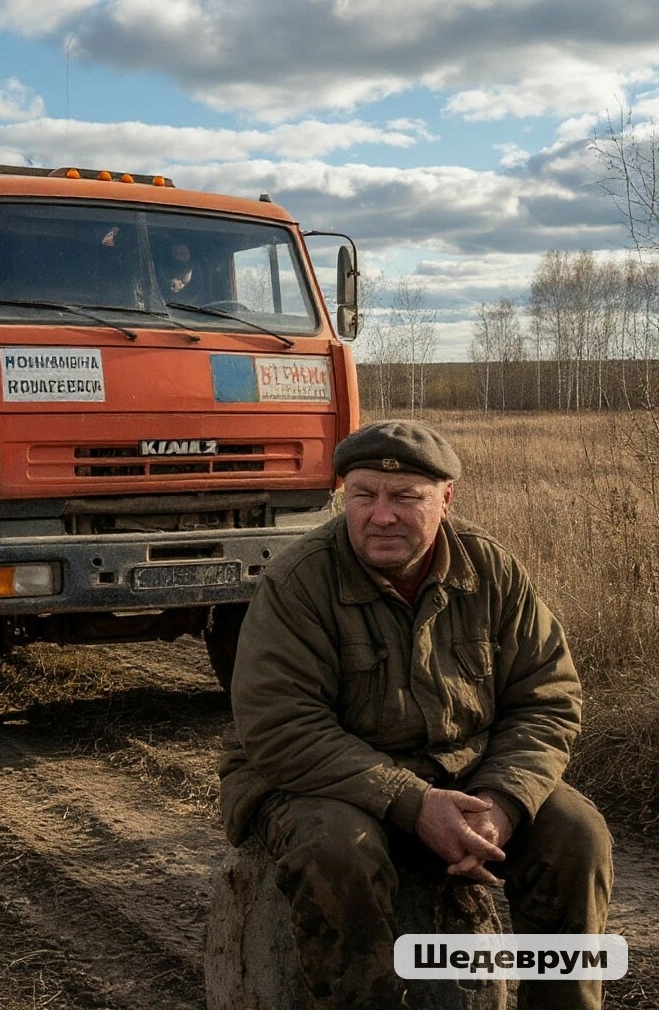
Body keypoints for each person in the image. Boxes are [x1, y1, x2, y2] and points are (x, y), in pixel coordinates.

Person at [218, 419, 613, 1010]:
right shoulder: (298, 583)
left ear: (446, 499)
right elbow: (282, 727)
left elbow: (546, 699)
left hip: (465, 773)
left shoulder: (492, 573)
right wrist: (412, 803)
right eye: (363, 496)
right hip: (322, 784)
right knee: (337, 851)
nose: (382, 516)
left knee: (578, 834)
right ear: (341, 496)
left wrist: (502, 804)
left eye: (405, 498)